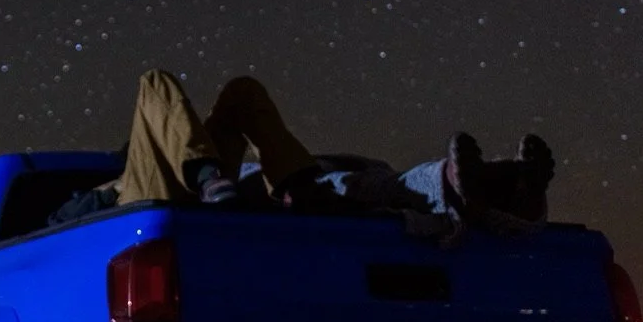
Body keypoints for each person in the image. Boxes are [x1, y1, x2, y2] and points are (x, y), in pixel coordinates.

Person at [70, 69, 552, 225]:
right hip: (142, 203)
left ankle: (506, 185)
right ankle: (209, 177)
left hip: (228, 192)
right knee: (154, 81)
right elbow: (64, 221)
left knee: (242, 91)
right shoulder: (106, 185)